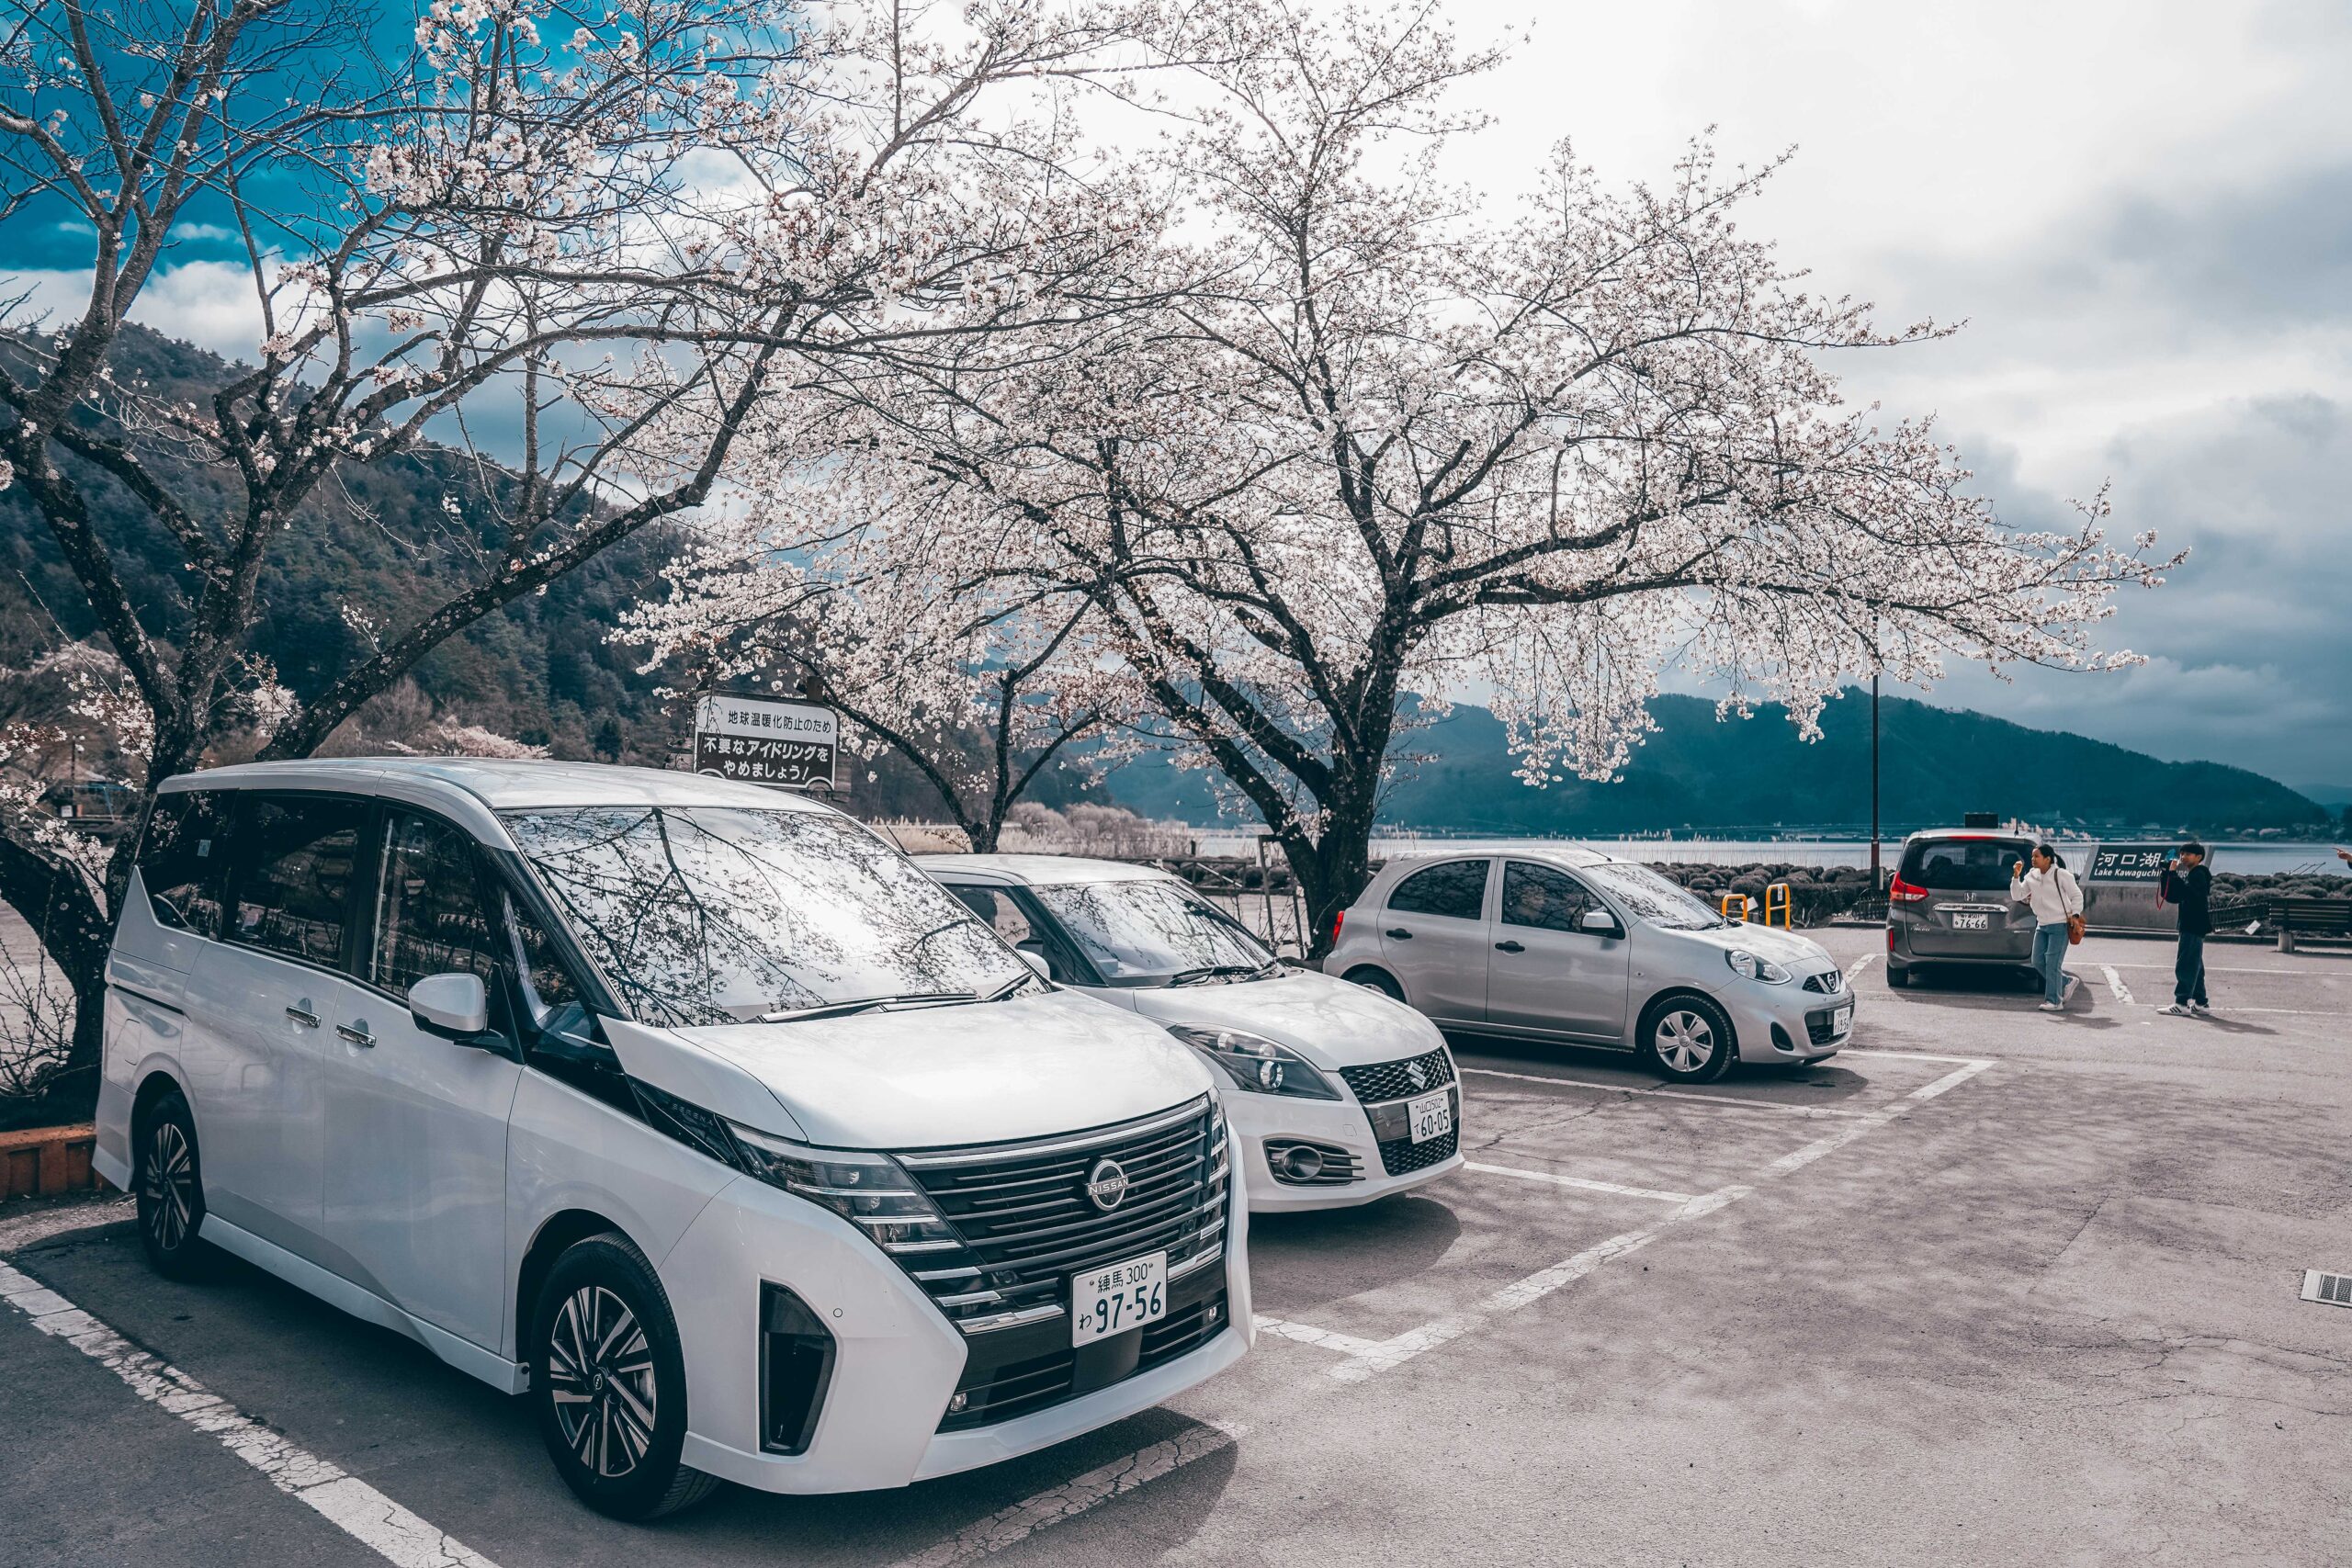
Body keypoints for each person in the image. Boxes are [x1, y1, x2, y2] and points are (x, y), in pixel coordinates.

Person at [2009, 843, 2084, 1013]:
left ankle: (2054, 1001)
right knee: (2037, 961)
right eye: (2032, 856)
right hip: (2041, 924)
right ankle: (2065, 982)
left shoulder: (2061, 875)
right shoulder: (2031, 876)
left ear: (2048, 859)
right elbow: (2017, 895)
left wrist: (2076, 915)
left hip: (2059, 924)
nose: (2033, 859)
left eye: (2037, 856)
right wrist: (2016, 877)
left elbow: (2076, 895)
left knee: (2052, 963)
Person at [2157, 842, 2212, 1016]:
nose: (2183, 857)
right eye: (2182, 854)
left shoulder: (2198, 875)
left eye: (2188, 854)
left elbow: (2185, 893)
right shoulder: (2195, 874)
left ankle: (2181, 1003)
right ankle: (2201, 1003)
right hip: (2193, 924)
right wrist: (2167, 873)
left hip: (2192, 924)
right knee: (2195, 964)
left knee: (2186, 963)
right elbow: (2175, 895)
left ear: (2199, 857)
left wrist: (2172, 874)